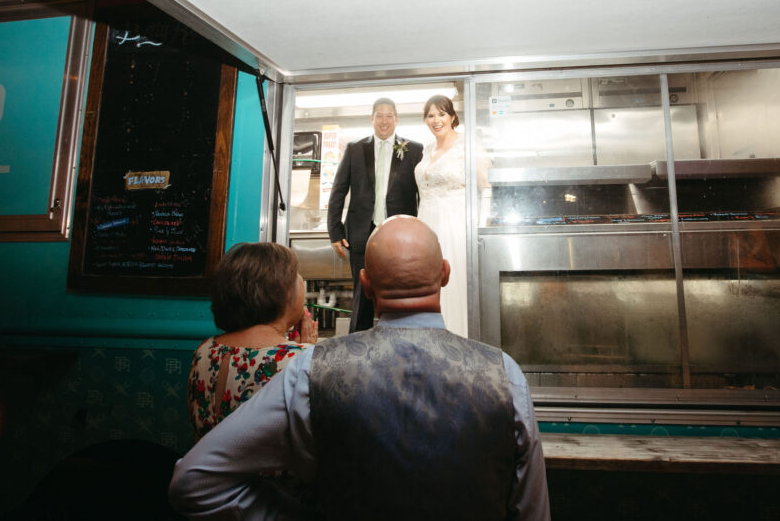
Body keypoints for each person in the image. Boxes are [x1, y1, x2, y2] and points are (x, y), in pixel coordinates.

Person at [170, 216, 551, 521]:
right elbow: (531, 510)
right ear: (445, 274)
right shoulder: (505, 374)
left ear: (365, 284)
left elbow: (193, 481)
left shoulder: (310, 371)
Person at [187, 242, 317, 437]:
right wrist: (308, 353)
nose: (301, 281)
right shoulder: (300, 360)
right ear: (280, 291)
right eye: (296, 275)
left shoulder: (205, 350)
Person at [327, 97, 423, 331]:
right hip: (361, 231)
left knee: (399, 291)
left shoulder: (414, 150)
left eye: (389, 115)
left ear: (397, 119)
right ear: (371, 118)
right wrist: (335, 232)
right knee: (363, 294)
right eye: (379, 115)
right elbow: (339, 190)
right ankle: (357, 347)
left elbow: (423, 192)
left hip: (399, 233)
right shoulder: (355, 149)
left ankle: (400, 341)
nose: (384, 120)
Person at [415, 94, 468, 336]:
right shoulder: (427, 150)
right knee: (427, 282)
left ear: (453, 116)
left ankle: (456, 337)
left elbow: (485, 186)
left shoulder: (466, 146)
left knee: (452, 282)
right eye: (430, 115)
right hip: (426, 223)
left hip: (453, 224)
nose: (436, 120)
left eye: (441, 114)